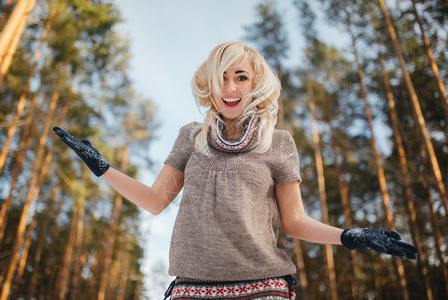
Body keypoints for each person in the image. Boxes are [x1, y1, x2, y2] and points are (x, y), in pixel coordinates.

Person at [53, 42, 418, 300]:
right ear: (209, 85)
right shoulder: (189, 138)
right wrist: (103, 169)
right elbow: (153, 201)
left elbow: (294, 221)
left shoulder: (279, 142)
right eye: (221, 78)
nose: (229, 88)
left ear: (256, 84)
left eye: (241, 77)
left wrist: (347, 235)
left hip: (263, 286)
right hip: (191, 288)